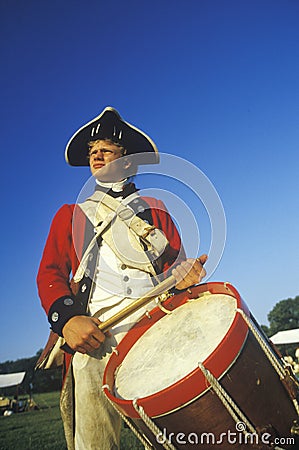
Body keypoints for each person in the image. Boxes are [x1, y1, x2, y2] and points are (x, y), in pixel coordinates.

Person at [37, 106, 207, 450]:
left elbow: (177, 267)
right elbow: (50, 273)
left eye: (105, 150)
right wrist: (68, 320)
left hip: (155, 333)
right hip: (94, 338)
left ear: (127, 161)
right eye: (92, 152)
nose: (97, 155)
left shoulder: (157, 208)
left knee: (172, 439)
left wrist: (186, 276)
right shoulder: (70, 215)